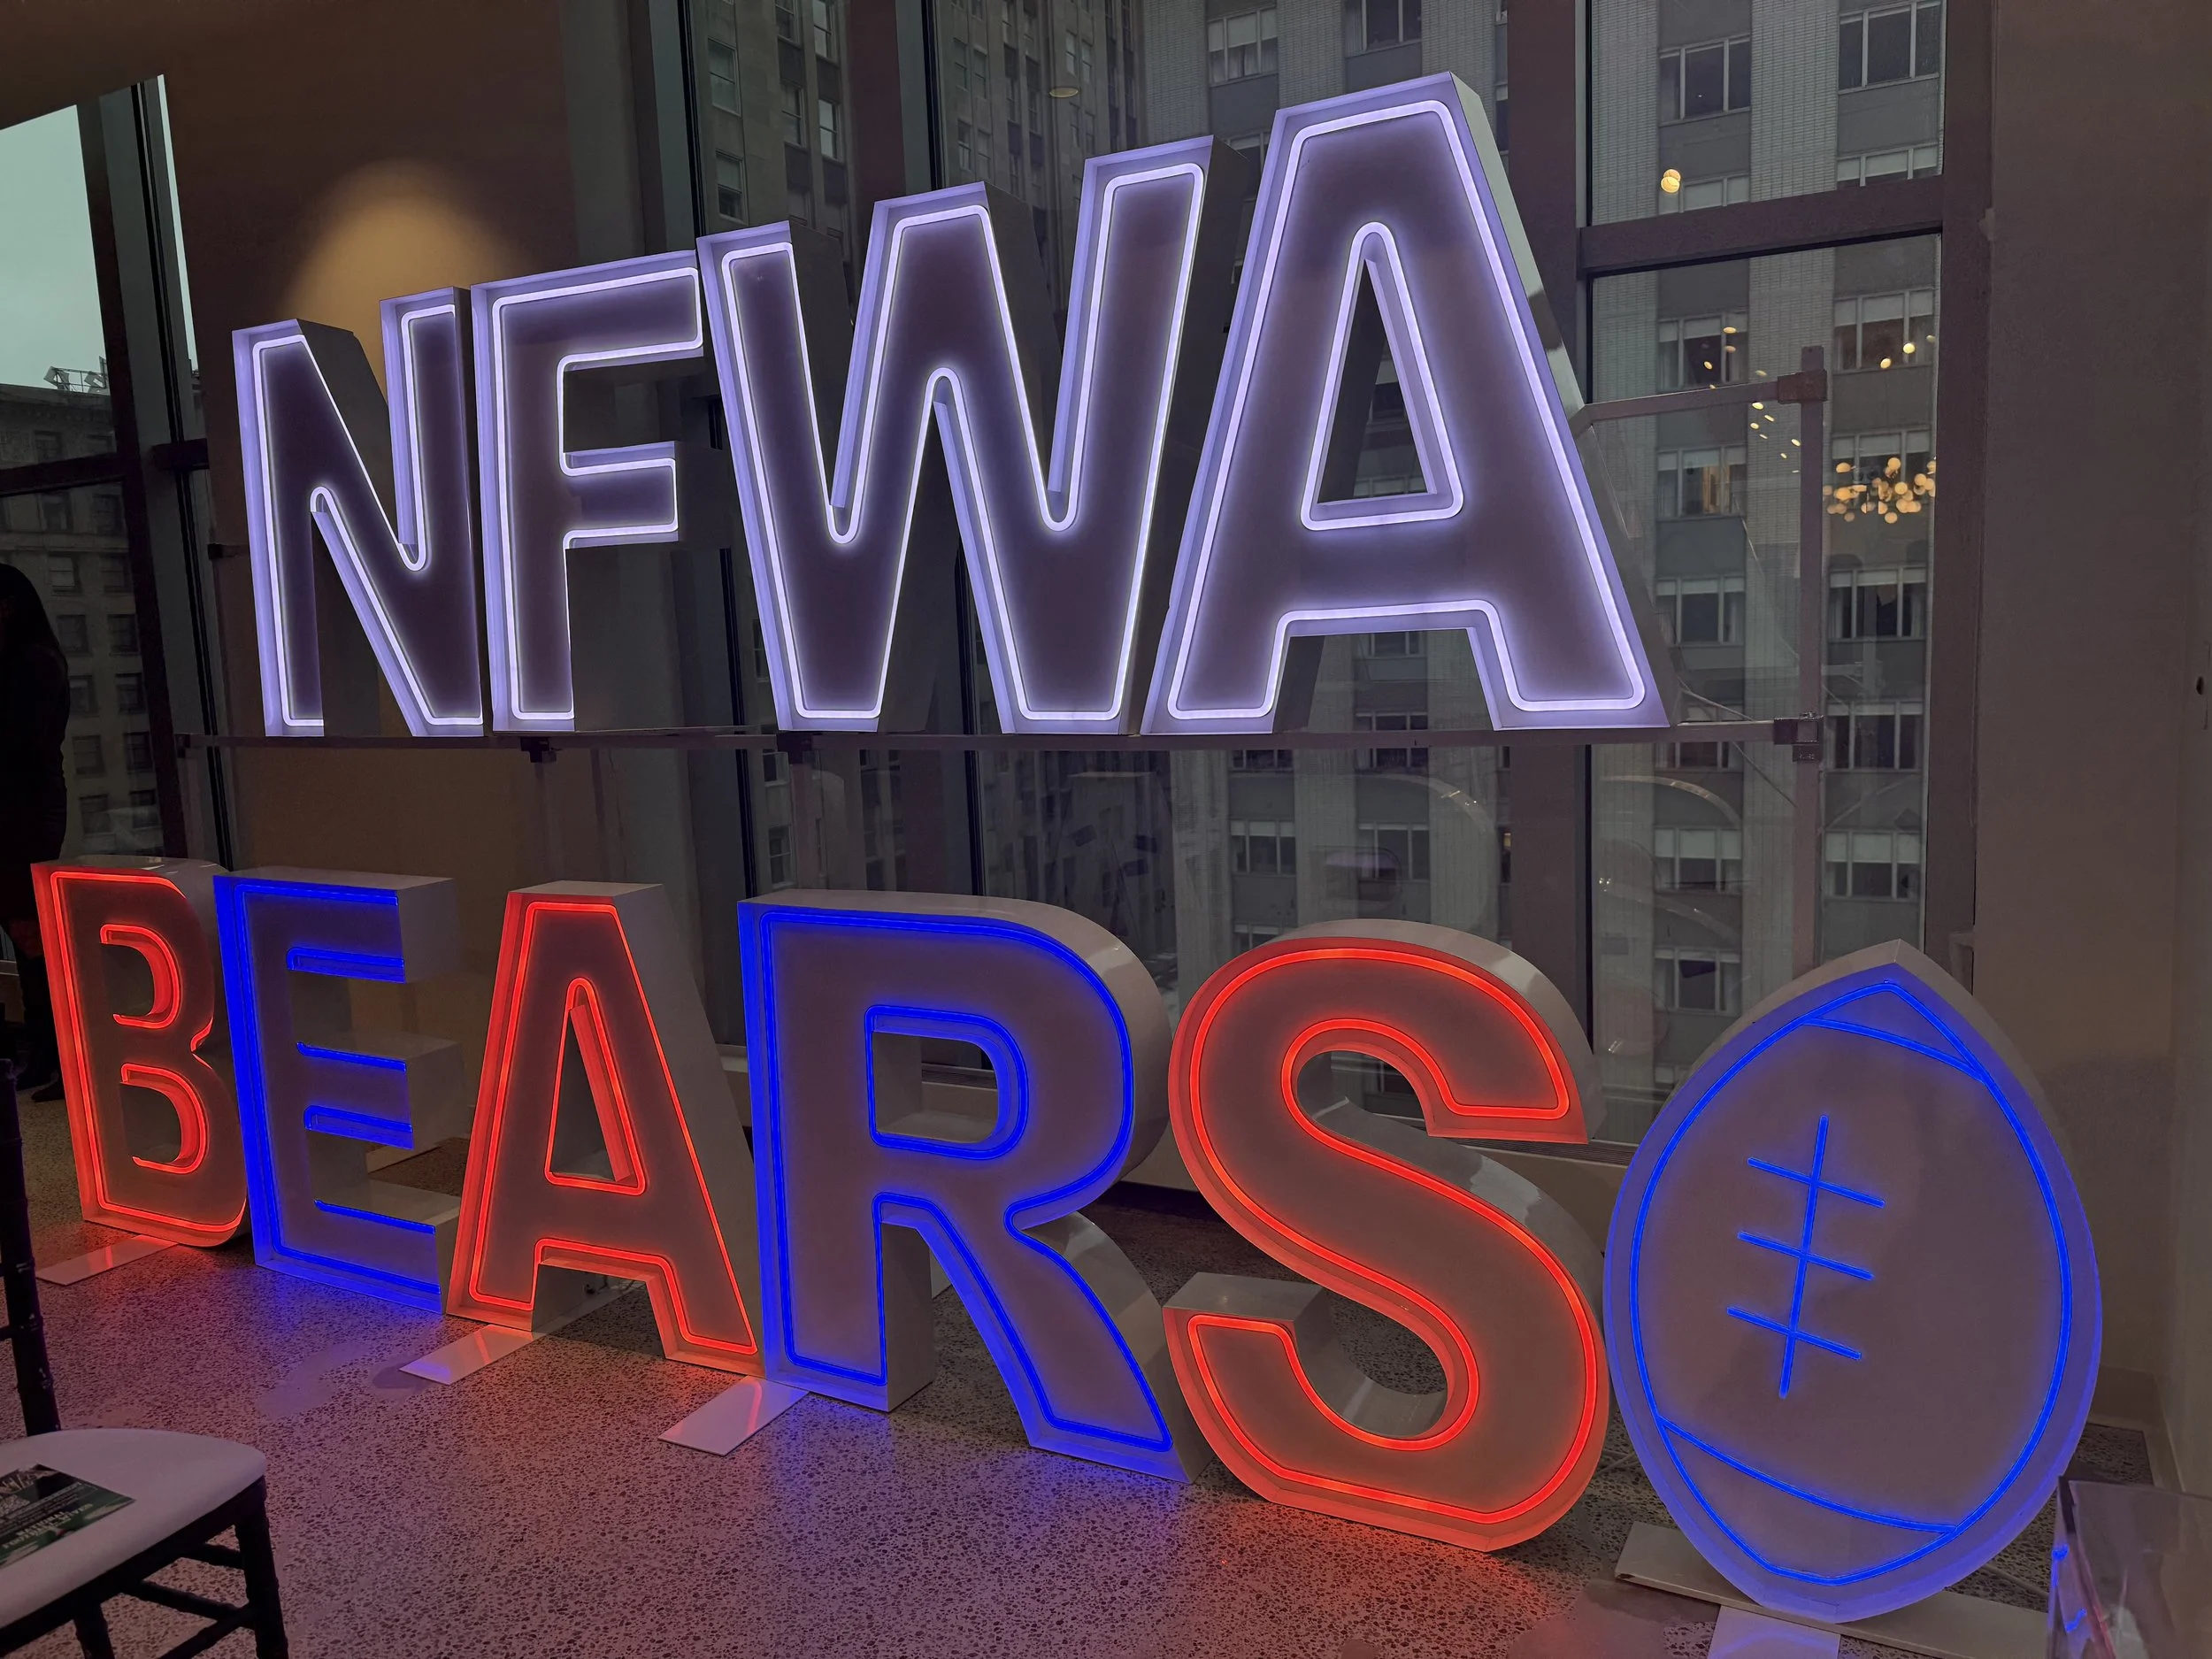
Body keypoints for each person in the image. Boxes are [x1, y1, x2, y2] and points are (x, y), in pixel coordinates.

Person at [0, 562, 70, 1101]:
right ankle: (45, 1055)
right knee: (27, 938)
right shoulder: (28, 661)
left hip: (23, 811)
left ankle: (55, 1056)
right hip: (18, 808)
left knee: (32, 938)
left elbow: (26, 744)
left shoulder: (34, 665)